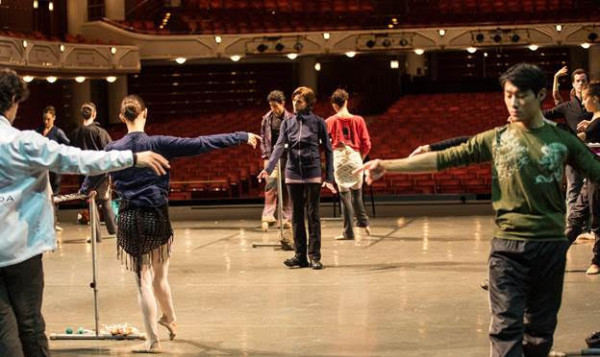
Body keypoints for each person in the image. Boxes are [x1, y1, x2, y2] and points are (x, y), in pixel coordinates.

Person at [355, 63, 600, 357]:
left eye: (521, 95)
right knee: (505, 330)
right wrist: (388, 166)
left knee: (539, 335)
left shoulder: (562, 140)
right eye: (508, 95)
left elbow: (596, 171)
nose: (513, 102)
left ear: (541, 95)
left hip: (549, 247)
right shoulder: (497, 138)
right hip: (507, 248)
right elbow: (446, 159)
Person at [0, 68, 170, 357]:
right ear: (13, 100)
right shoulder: (23, 142)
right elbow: (78, 160)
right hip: (21, 249)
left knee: (3, 326)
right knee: (29, 323)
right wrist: (132, 157)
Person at [100, 95, 260, 353]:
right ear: (145, 113)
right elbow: (202, 143)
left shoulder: (112, 148)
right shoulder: (159, 143)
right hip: (160, 216)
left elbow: (93, 175)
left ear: (122, 118)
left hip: (131, 218)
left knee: (143, 279)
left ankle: (152, 341)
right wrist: (240, 135)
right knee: (160, 276)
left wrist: (87, 190)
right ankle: (171, 319)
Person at [258, 86, 336, 270]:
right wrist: (268, 168)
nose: (294, 103)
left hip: (312, 172)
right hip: (292, 173)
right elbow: (278, 147)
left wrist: (330, 176)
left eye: (299, 101)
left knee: (313, 216)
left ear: (308, 103)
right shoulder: (288, 122)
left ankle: (314, 256)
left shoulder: (318, 122)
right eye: (293, 100)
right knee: (296, 217)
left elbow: (328, 150)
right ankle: (300, 256)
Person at [543, 68, 592, 214]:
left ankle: (593, 229)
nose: (581, 83)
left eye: (584, 80)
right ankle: (573, 228)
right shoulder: (567, 106)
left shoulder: (596, 104)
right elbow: (546, 114)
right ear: (573, 84)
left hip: (594, 153)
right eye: (578, 81)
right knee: (573, 191)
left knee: (594, 192)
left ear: (588, 83)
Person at [325, 89, 371, 240]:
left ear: (334, 105)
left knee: (345, 197)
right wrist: (361, 160)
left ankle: (349, 232)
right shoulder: (359, 120)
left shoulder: (329, 121)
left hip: (339, 157)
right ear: (346, 101)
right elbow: (367, 144)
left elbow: (324, 145)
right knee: (357, 195)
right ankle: (364, 223)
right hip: (355, 157)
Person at [565, 81, 600, 275]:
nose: (583, 102)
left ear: (595, 98)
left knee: (597, 219)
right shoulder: (595, 119)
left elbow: (578, 139)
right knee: (576, 216)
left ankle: (598, 260)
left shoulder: (598, 122)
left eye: (585, 98)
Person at [70, 102, 117, 242]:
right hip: (101, 174)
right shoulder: (100, 132)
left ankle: (96, 236)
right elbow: (110, 151)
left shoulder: (76, 133)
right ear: (94, 114)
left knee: (92, 204)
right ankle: (114, 230)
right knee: (106, 201)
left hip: (85, 175)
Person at [259, 90, 293, 239]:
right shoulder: (266, 119)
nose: (273, 109)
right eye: (271, 106)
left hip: (288, 156)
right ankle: (268, 216)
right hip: (272, 156)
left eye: (275, 106)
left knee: (286, 188)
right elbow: (263, 139)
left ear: (283, 104)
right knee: (271, 185)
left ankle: (286, 218)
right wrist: (266, 157)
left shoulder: (291, 118)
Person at [35, 106, 70, 231]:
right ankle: (44, 222)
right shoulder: (38, 130)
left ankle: (54, 222)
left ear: (54, 118)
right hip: (42, 168)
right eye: (44, 119)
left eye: (48, 119)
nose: (46, 122)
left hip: (54, 168)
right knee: (42, 194)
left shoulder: (58, 132)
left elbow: (67, 145)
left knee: (54, 194)